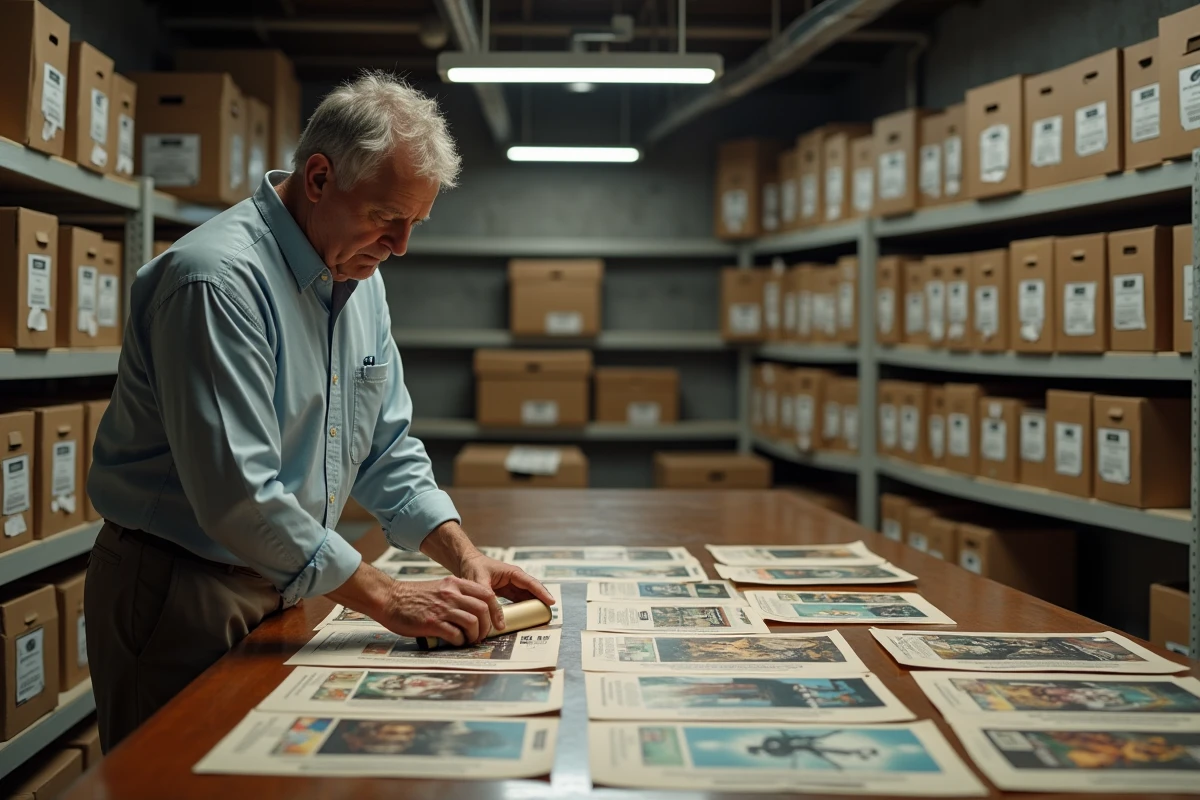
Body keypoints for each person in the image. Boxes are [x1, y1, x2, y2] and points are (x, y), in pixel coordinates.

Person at [84, 71, 553, 752]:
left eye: (415, 224)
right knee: (171, 780)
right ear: (319, 179)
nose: (401, 246)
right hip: (181, 586)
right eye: (386, 218)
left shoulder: (360, 277)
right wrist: (388, 597)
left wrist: (462, 555)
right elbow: (240, 495)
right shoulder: (216, 282)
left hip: (285, 577)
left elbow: (385, 446)